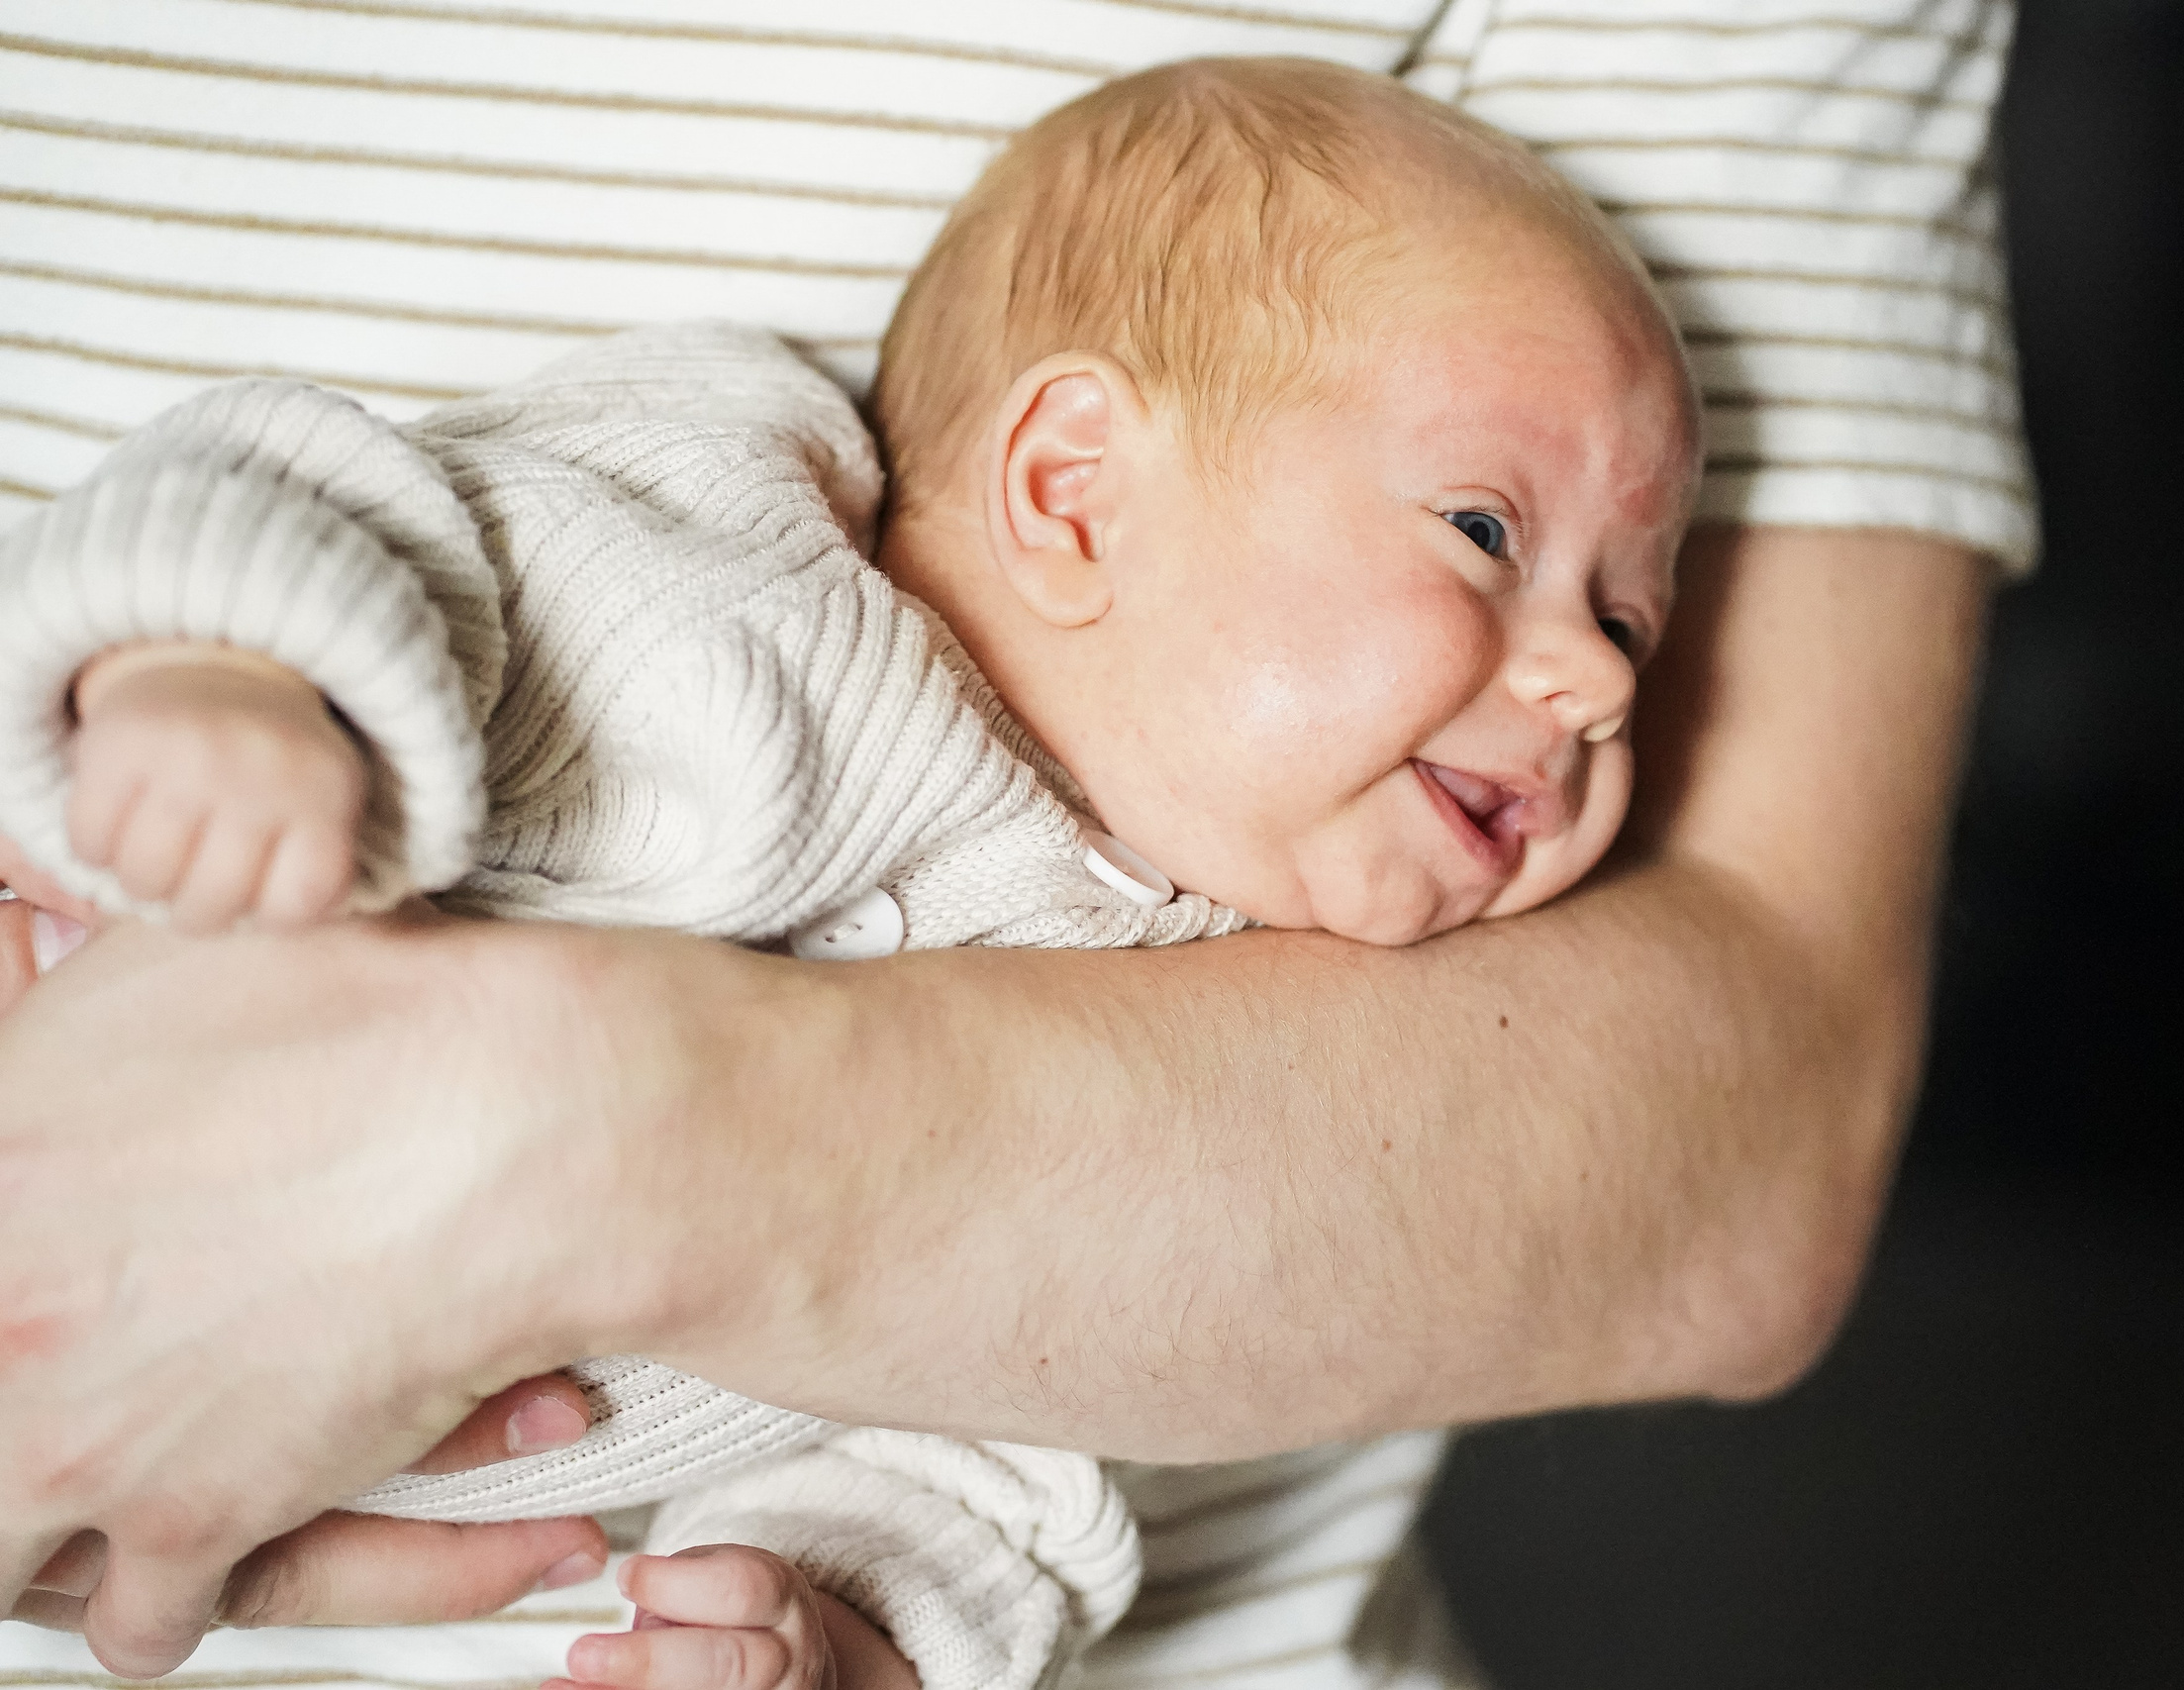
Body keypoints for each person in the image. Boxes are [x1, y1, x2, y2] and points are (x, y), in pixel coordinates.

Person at [0, 0, 2028, 1682]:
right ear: (1069, 490)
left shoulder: (1206, 1035)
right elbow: (326, 493)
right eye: (1485, 532)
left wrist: (844, 1620)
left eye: (1629, 621)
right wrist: (229, 679)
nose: (1588, 684)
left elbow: (1005, 1469)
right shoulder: (725, 575)